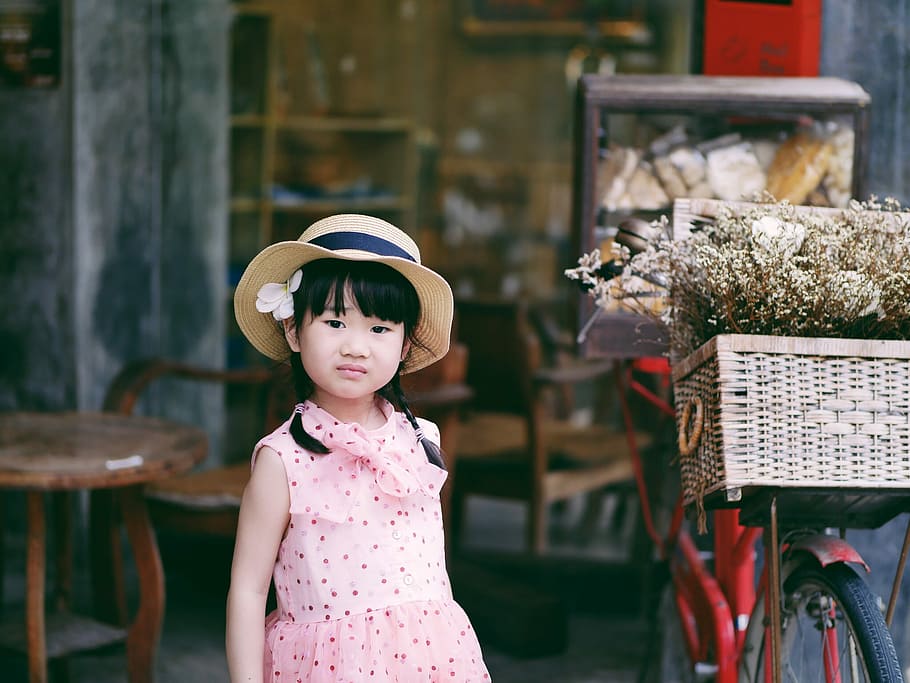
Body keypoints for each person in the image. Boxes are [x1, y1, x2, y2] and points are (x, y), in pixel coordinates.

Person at [226, 214, 490, 682]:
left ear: (406, 343)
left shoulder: (422, 438)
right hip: (328, 667)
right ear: (293, 332)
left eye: (379, 329)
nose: (355, 347)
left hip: (428, 662)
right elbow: (248, 589)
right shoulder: (282, 459)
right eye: (333, 321)